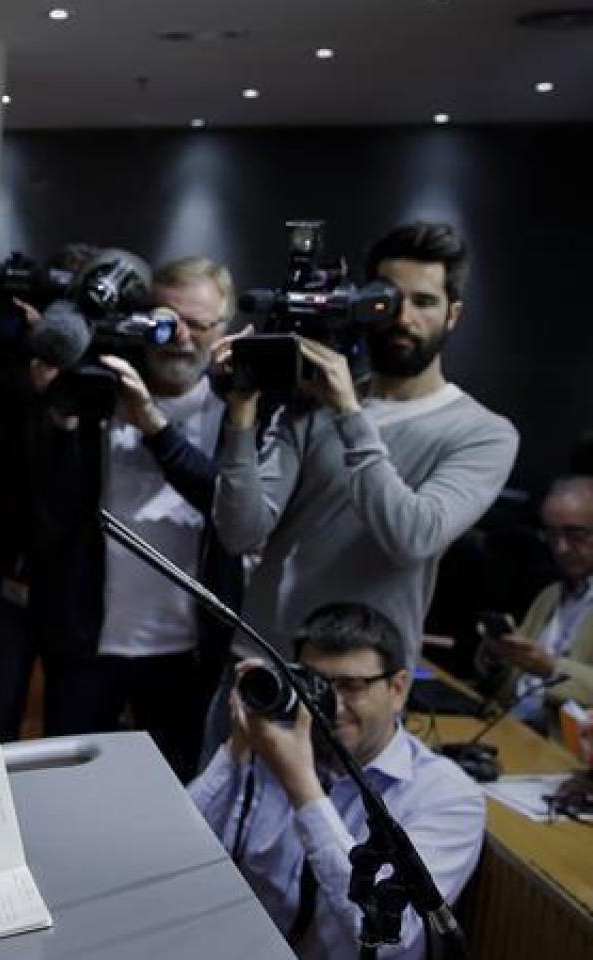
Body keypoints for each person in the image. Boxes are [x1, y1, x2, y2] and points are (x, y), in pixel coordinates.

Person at [213, 222, 519, 661]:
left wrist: (349, 415)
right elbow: (240, 531)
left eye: (425, 302)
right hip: (261, 654)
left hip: (363, 679)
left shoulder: (484, 434)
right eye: (388, 300)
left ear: (452, 315)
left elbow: (411, 537)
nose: (403, 318)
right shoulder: (312, 405)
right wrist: (242, 413)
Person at [34, 255, 245, 779]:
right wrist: (59, 414)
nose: (181, 338)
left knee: (177, 797)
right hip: (90, 641)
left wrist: (153, 424)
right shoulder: (97, 388)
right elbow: (53, 509)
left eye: (199, 325)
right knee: (71, 789)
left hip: (189, 649)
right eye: (167, 321)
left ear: (225, 332)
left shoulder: (236, 410)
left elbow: (231, 509)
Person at [188, 603, 485, 960]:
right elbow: (179, 852)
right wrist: (237, 748)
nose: (329, 704)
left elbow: (387, 933)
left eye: (351, 685)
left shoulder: (446, 795)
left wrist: (303, 789)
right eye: (315, 684)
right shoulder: (273, 749)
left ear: (398, 689)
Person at [0, 243, 95, 743]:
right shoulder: (8, 380)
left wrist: (60, 384)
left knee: (70, 724)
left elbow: (70, 487)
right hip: (7, 564)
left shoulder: (92, 379)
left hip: (76, 578)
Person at [480, 475, 593, 734]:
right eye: (552, 534)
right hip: (505, 723)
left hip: (562, 745)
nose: (561, 548)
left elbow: (543, 668)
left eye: (576, 535)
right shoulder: (550, 594)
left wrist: (550, 668)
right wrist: (497, 657)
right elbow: (513, 681)